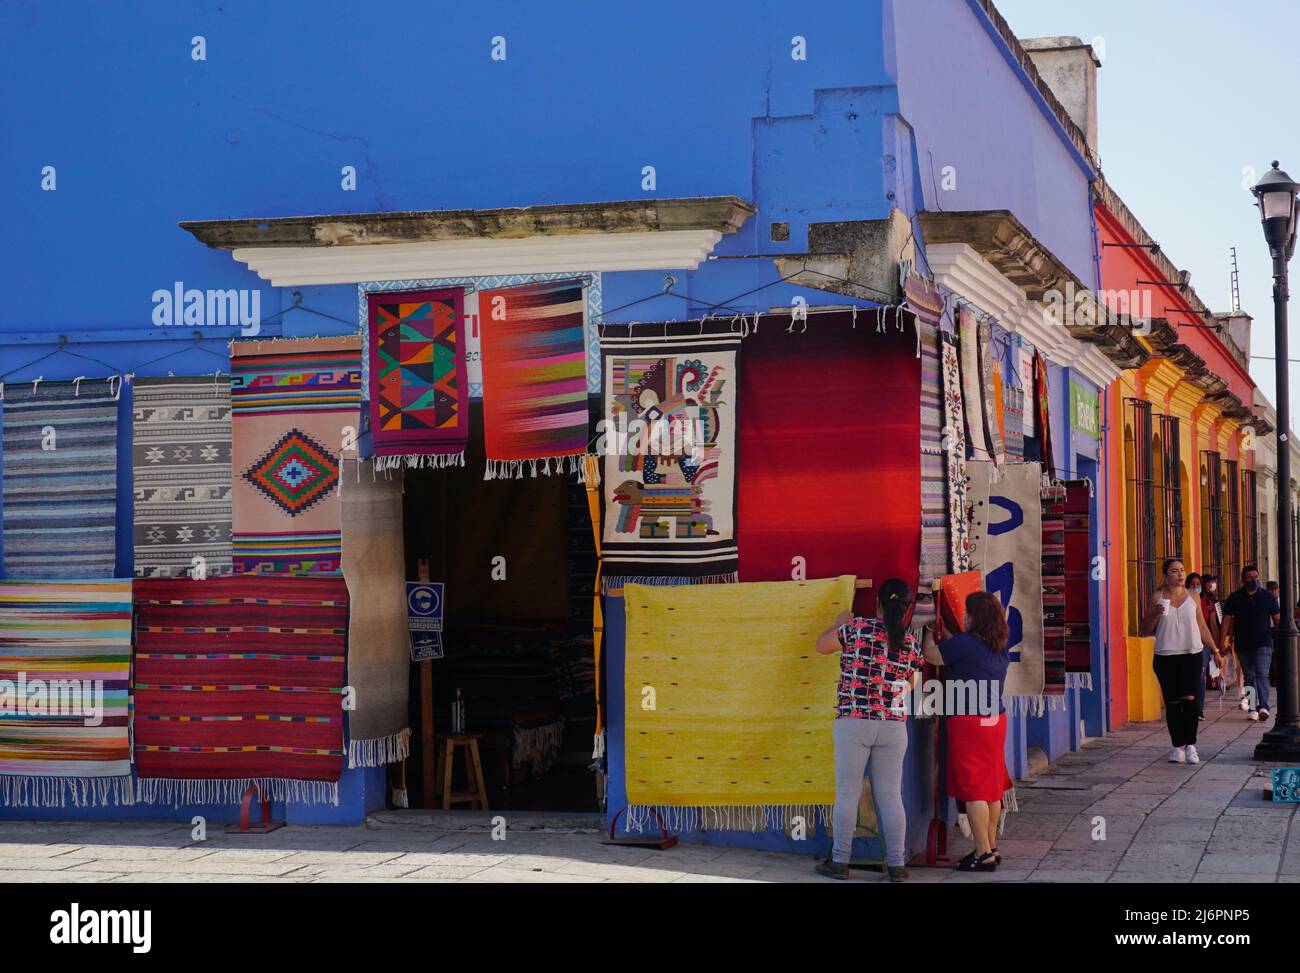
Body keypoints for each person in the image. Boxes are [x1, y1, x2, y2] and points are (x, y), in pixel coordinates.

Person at [813, 578, 924, 883]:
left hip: (853, 722)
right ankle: (897, 866)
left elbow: (821, 646)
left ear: (877, 603)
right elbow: (912, 685)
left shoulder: (856, 628)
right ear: (906, 609)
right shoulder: (911, 643)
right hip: (892, 726)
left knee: (847, 794)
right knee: (890, 797)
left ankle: (840, 862)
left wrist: (839, 621)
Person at [920, 590, 1013, 873]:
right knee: (991, 788)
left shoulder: (966, 643)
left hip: (969, 723)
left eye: (967, 612)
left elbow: (933, 657)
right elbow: (964, 652)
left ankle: (982, 854)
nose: (964, 616)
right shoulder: (998, 644)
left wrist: (927, 633)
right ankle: (992, 847)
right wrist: (950, 635)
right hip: (995, 721)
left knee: (973, 790)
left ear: (974, 617)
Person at [1142, 559, 1221, 763]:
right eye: (1174, 571)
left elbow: (1203, 628)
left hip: (1191, 654)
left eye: (1182, 570)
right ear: (1166, 575)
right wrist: (1154, 614)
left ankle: (1191, 745)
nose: (1179, 574)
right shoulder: (1157, 597)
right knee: (1173, 703)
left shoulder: (1193, 597)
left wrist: (1215, 650)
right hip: (1165, 656)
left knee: (1190, 699)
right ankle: (1177, 746)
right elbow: (1146, 629)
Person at [1222, 565, 1281, 723]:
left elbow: (1277, 619)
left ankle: (1264, 707)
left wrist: (1281, 639)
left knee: (1262, 673)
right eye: (1250, 577)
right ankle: (1253, 708)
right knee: (1249, 677)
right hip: (1243, 644)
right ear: (1243, 580)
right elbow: (1227, 620)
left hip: (1264, 642)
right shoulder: (1235, 598)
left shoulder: (1267, 597)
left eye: (1256, 576)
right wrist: (1222, 642)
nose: (1254, 580)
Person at [1186, 573, 1222, 720]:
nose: (1196, 587)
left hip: (1203, 644)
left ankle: (1255, 705)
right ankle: (1250, 702)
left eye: (1198, 584)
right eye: (1193, 584)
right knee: (1249, 676)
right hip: (1187, 643)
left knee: (1254, 676)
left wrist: (1217, 648)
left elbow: (1213, 626)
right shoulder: (1184, 601)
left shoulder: (1208, 603)